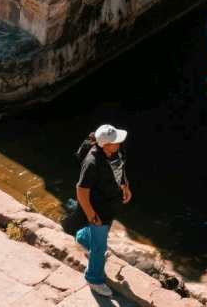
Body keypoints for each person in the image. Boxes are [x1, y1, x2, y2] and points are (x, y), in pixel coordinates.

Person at [75, 124, 131, 298]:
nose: (119, 143)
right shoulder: (92, 162)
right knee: (100, 247)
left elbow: (120, 169)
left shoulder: (115, 152)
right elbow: (81, 191)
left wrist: (125, 186)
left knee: (101, 234)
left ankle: (83, 238)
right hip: (98, 208)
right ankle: (94, 278)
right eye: (115, 142)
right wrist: (92, 216)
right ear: (105, 144)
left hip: (110, 203)